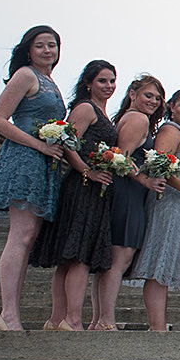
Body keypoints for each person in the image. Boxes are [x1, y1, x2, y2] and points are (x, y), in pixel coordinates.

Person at [0, 25, 67, 331]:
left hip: (43, 163)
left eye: (52, 45)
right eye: (40, 45)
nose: (47, 51)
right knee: (22, 234)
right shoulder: (25, 75)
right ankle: (8, 313)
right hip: (24, 159)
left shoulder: (50, 81)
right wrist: (40, 144)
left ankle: (11, 312)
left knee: (28, 237)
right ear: (29, 50)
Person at [29, 60, 119, 330]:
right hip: (81, 187)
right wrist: (86, 171)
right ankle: (73, 320)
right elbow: (68, 142)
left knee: (71, 258)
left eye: (112, 80)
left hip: (93, 188)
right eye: (103, 80)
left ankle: (57, 319)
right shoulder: (85, 108)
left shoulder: (102, 112)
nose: (109, 86)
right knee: (78, 257)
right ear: (89, 82)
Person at [131, 88, 180, 330]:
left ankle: (159, 324)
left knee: (168, 261)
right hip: (169, 202)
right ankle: (157, 326)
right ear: (172, 107)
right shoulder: (169, 130)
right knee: (160, 261)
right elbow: (160, 163)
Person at [93, 74, 167, 330]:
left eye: (158, 98)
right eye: (148, 95)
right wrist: (146, 180)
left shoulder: (130, 117)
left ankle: (98, 319)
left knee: (114, 259)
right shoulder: (137, 118)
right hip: (127, 192)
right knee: (120, 257)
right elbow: (121, 159)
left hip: (128, 192)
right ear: (133, 93)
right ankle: (106, 319)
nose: (154, 102)